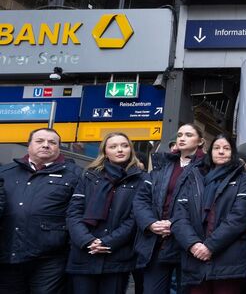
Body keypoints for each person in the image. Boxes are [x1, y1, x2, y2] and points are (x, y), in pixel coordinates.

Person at [171, 133, 246, 293]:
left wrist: (209, 246)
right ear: (210, 152)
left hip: (229, 260)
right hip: (195, 258)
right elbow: (180, 216)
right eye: (217, 148)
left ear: (233, 153)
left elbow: (239, 218)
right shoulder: (193, 177)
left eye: (226, 148)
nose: (221, 151)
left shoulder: (245, 180)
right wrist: (193, 244)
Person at [0, 128, 83, 294]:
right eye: (40, 141)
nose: (46, 145)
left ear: (59, 147)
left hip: (51, 258)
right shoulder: (5, 173)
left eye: (52, 142)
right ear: (29, 145)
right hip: (8, 254)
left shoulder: (76, 175)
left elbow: (78, 214)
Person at [66, 132, 147, 294]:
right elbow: (74, 212)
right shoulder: (89, 175)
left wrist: (107, 242)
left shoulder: (142, 180)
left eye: (124, 146)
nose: (120, 150)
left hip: (116, 256)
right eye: (113, 146)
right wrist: (87, 240)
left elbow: (135, 219)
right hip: (84, 253)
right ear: (105, 151)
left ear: (131, 150)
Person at [134, 123, 207, 294]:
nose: (182, 138)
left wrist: (174, 224)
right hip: (158, 240)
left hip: (189, 241)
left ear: (200, 141)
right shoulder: (163, 166)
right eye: (180, 134)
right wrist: (151, 224)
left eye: (188, 135)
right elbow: (141, 200)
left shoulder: (207, 168)